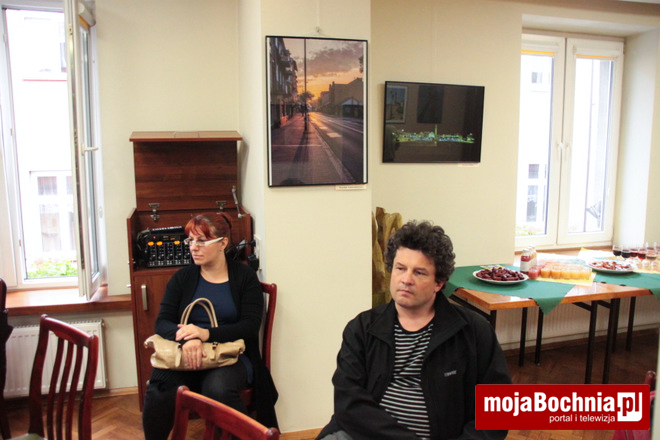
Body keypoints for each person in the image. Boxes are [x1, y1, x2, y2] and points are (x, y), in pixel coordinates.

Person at [317, 220, 511, 440]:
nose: (406, 280)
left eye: (419, 272)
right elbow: (348, 403)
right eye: (400, 268)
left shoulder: (474, 331)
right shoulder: (361, 328)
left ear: (439, 283)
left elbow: (498, 413)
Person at [142, 213, 278, 440]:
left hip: (231, 355)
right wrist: (189, 339)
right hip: (187, 352)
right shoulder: (182, 278)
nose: (193, 247)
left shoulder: (244, 277)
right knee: (159, 389)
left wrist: (205, 334)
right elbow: (162, 322)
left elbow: (249, 326)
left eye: (202, 241)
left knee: (218, 389)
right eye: (190, 240)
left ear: (223, 243)